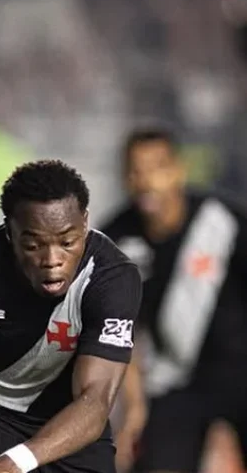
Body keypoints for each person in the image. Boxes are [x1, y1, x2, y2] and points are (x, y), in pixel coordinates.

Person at [0, 159, 142, 473]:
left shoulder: (110, 279)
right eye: (33, 245)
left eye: (67, 242)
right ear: (9, 230)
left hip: (67, 418)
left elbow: (95, 402)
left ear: (84, 223)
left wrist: (17, 461)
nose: (52, 260)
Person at [101, 126, 247, 473]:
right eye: (135, 170)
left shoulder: (223, 222)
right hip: (176, 380)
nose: (147, 181)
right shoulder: (117, 241)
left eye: (158, 168)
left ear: (179, 170)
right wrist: (134, 410)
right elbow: (125, 331)